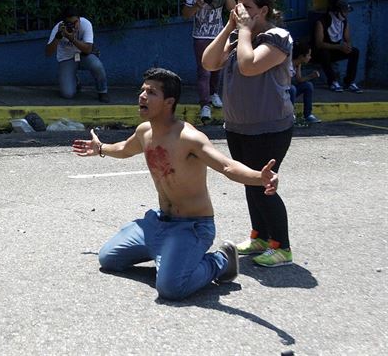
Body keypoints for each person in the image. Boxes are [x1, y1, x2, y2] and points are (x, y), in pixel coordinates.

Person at [72, 68, 279, 300]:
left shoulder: (189, 138)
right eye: (142, 90)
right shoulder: (145, 131)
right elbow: (124, 149)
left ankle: (219, 261)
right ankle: (167, 255)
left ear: (169, 102)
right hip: (158, 222)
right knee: (108, 259)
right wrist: (100, 149)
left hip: (191, 227)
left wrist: (258, 177)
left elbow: (227, 166)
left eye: (151, 92)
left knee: (171, 289)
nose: (142, 96)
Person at [202, 0, 295, 268]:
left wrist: (243, 31)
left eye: (247, 8)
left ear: (263, 11)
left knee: (264, 184)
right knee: (248, 181)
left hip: (270, 127)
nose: (241, 12)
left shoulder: (277, 38)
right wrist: (230, 27)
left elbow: (249, 66)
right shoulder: (237, 35)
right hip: (238, 125)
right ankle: (261, 237)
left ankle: (282, 246)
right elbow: (209, 62)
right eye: (238, 7)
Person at [182, 0, 236, 122]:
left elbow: (232, 8)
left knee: (217, 68)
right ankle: (204, 105)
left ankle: (214, 94)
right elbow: (186, 14)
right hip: (201, 36)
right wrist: (197, 7)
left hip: (218, 35)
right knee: (204, 70)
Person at [45, 6, 109, 102]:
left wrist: (72, 38)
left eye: (75, 22)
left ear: (79, 19)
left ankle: (102, 91)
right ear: (64, 22)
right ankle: (75, 80)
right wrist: (58, 37)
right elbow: (48, 53)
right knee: (67, 94)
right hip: (67, 58)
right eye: (70, 23)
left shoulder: (86, 24)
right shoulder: (58, 28)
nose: (73, 26)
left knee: (97, 65)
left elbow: (88, 49)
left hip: (84, 55)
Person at [314, 0, 363, 93]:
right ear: (336, 11)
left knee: (355, 52)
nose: (346, 14)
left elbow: (347, 39)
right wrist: (339, 47)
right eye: (344, 11)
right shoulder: (321, 22)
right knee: (324, 53)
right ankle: (333, 81)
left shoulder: (344, 22)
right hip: (320, 53)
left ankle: (350, 82)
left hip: (335, 50)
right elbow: (319, 44)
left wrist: (347, 47)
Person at [290, 41, 321, 124]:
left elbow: (299, 79)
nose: (310, 57)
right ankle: (289, 115)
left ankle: (308, 115)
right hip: (281, 91)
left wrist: (311, 76)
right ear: (301, 56)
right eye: (308, 55)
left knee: (308, 85)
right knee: (292, 89)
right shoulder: (287, 63)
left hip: (289, 90)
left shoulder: (298, 64)